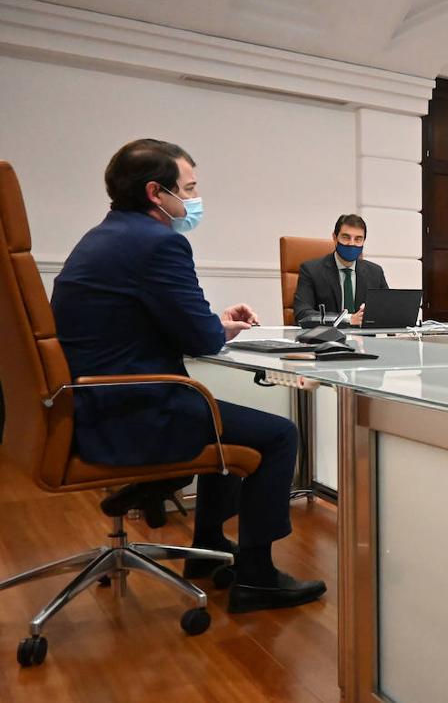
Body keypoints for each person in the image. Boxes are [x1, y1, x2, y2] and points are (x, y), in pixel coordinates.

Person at [51, 139, 327, 613]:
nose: (196, 200)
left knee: (220, 418)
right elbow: (200, 340)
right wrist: (213, 328)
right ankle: (258, 577)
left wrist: (215, 323)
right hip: (135, 413)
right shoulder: (159, 242)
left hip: (91, 407)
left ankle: (208, 547)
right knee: (279, 435)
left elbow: (149, 323)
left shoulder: (106, 236)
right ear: (157, 192)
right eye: (191, 188)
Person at [292, 214, 388, 326]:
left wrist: (373, 312)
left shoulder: (375, 272)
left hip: (366, 341)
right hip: (327, 340)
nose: (352, 243)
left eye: (358, 239)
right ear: (334, 237)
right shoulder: (311, 270)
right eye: (346, 237)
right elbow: (303, 314)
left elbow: (389, 310)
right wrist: (348, 319)